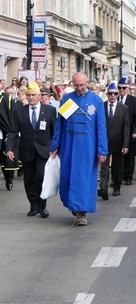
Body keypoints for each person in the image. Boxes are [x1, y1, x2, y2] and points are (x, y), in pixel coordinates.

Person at [50, 72, 108, 226]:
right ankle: (73, 205)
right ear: (72, 84)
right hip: (69, 145)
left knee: (83, 179)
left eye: (82, 85)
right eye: (76, 85)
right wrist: (54, 145)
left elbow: (101, 128)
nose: (80, 88)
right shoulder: (67, 100)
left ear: (87, 82)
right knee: (68, 177)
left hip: (87, 147)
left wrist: (102, 150)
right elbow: (60, 125)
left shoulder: (96, 101)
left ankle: (81, 212)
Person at [6, 82, 56, 218]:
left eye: (34, 95)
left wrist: (55, 148)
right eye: (29, 95)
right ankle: (33, 205)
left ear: (40, 96)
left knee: (40, 176)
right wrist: (9, 148)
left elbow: (54, 131)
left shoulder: (49, 110)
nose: (31, 98)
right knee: (29, 179)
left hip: (43, 150)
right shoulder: (19, 111)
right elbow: (13, 130)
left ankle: (42, 205)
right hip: (27, 150)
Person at [98, 83, 129, 199]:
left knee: (117, 166)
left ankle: (117, 186)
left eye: (115, 93)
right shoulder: (102, 106)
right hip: (104, 141)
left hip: (118, 141)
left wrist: (125, 144)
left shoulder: (124, 108)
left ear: (118, 95)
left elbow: (126, 127)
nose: (113, 96)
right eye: (110, 93)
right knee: (104, 166)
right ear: (107, 94)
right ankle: (103, 188)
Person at [118, 77, 136, 186]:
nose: (121, 90)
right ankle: (118, 176)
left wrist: (135, 131)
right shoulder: (114, 98)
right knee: (118, 156)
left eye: (124, 88)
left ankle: (128, 177)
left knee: (129, 157)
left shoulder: (134, 100)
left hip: (131, 132)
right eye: (119, 88)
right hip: (118, 133)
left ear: (128, 88)